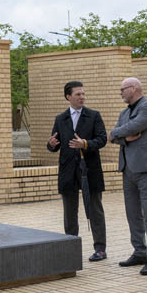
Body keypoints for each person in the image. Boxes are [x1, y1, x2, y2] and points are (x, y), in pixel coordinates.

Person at [47, 81, 109, 262]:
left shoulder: (94, 115)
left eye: (83, 94)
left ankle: (100, 249)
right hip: (68, 171)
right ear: (68, 97)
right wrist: (51, 144)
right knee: (69, 212)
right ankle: (71, 247)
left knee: (95, 210)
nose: (82, 97)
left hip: (90, 169)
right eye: (78, 94)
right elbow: (54, 144)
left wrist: (85, 144)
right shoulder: (61, 118)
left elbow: (102, 139)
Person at [110, 77, 147, 276]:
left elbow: (131, 128)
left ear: (133, 89)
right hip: (128, 169)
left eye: (122, 89)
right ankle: (139, 251)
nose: (120, 93)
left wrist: (117, 133)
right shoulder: (124, 112)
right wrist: (123, 137)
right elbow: (114, 137)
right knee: (132, 214)